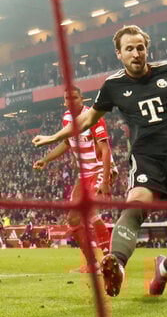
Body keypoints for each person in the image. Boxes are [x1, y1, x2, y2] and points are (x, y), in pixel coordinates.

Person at [33, 25, 167, 297]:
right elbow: (86, 119)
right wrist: (53, 137)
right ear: (119, 54)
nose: (136, 53)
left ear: (147, 49)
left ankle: (163, 269)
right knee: (137, 203)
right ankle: (117, 264)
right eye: (129, 49)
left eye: (140, 47)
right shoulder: (113, 86)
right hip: (147, 158)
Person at [33, 86, 113, 273]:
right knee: (73, 220)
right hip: (83, 175)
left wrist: (105, 179)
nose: (71, 101)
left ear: (82, 99)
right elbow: (66, 143)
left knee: (90, 213)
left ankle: (109, 262)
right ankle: (93, 264)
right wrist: (46, 159)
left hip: (98, 169)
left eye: (75, 97)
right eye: (67, 98)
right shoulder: (67, 118)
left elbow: (105, 149)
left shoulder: (93, 117)